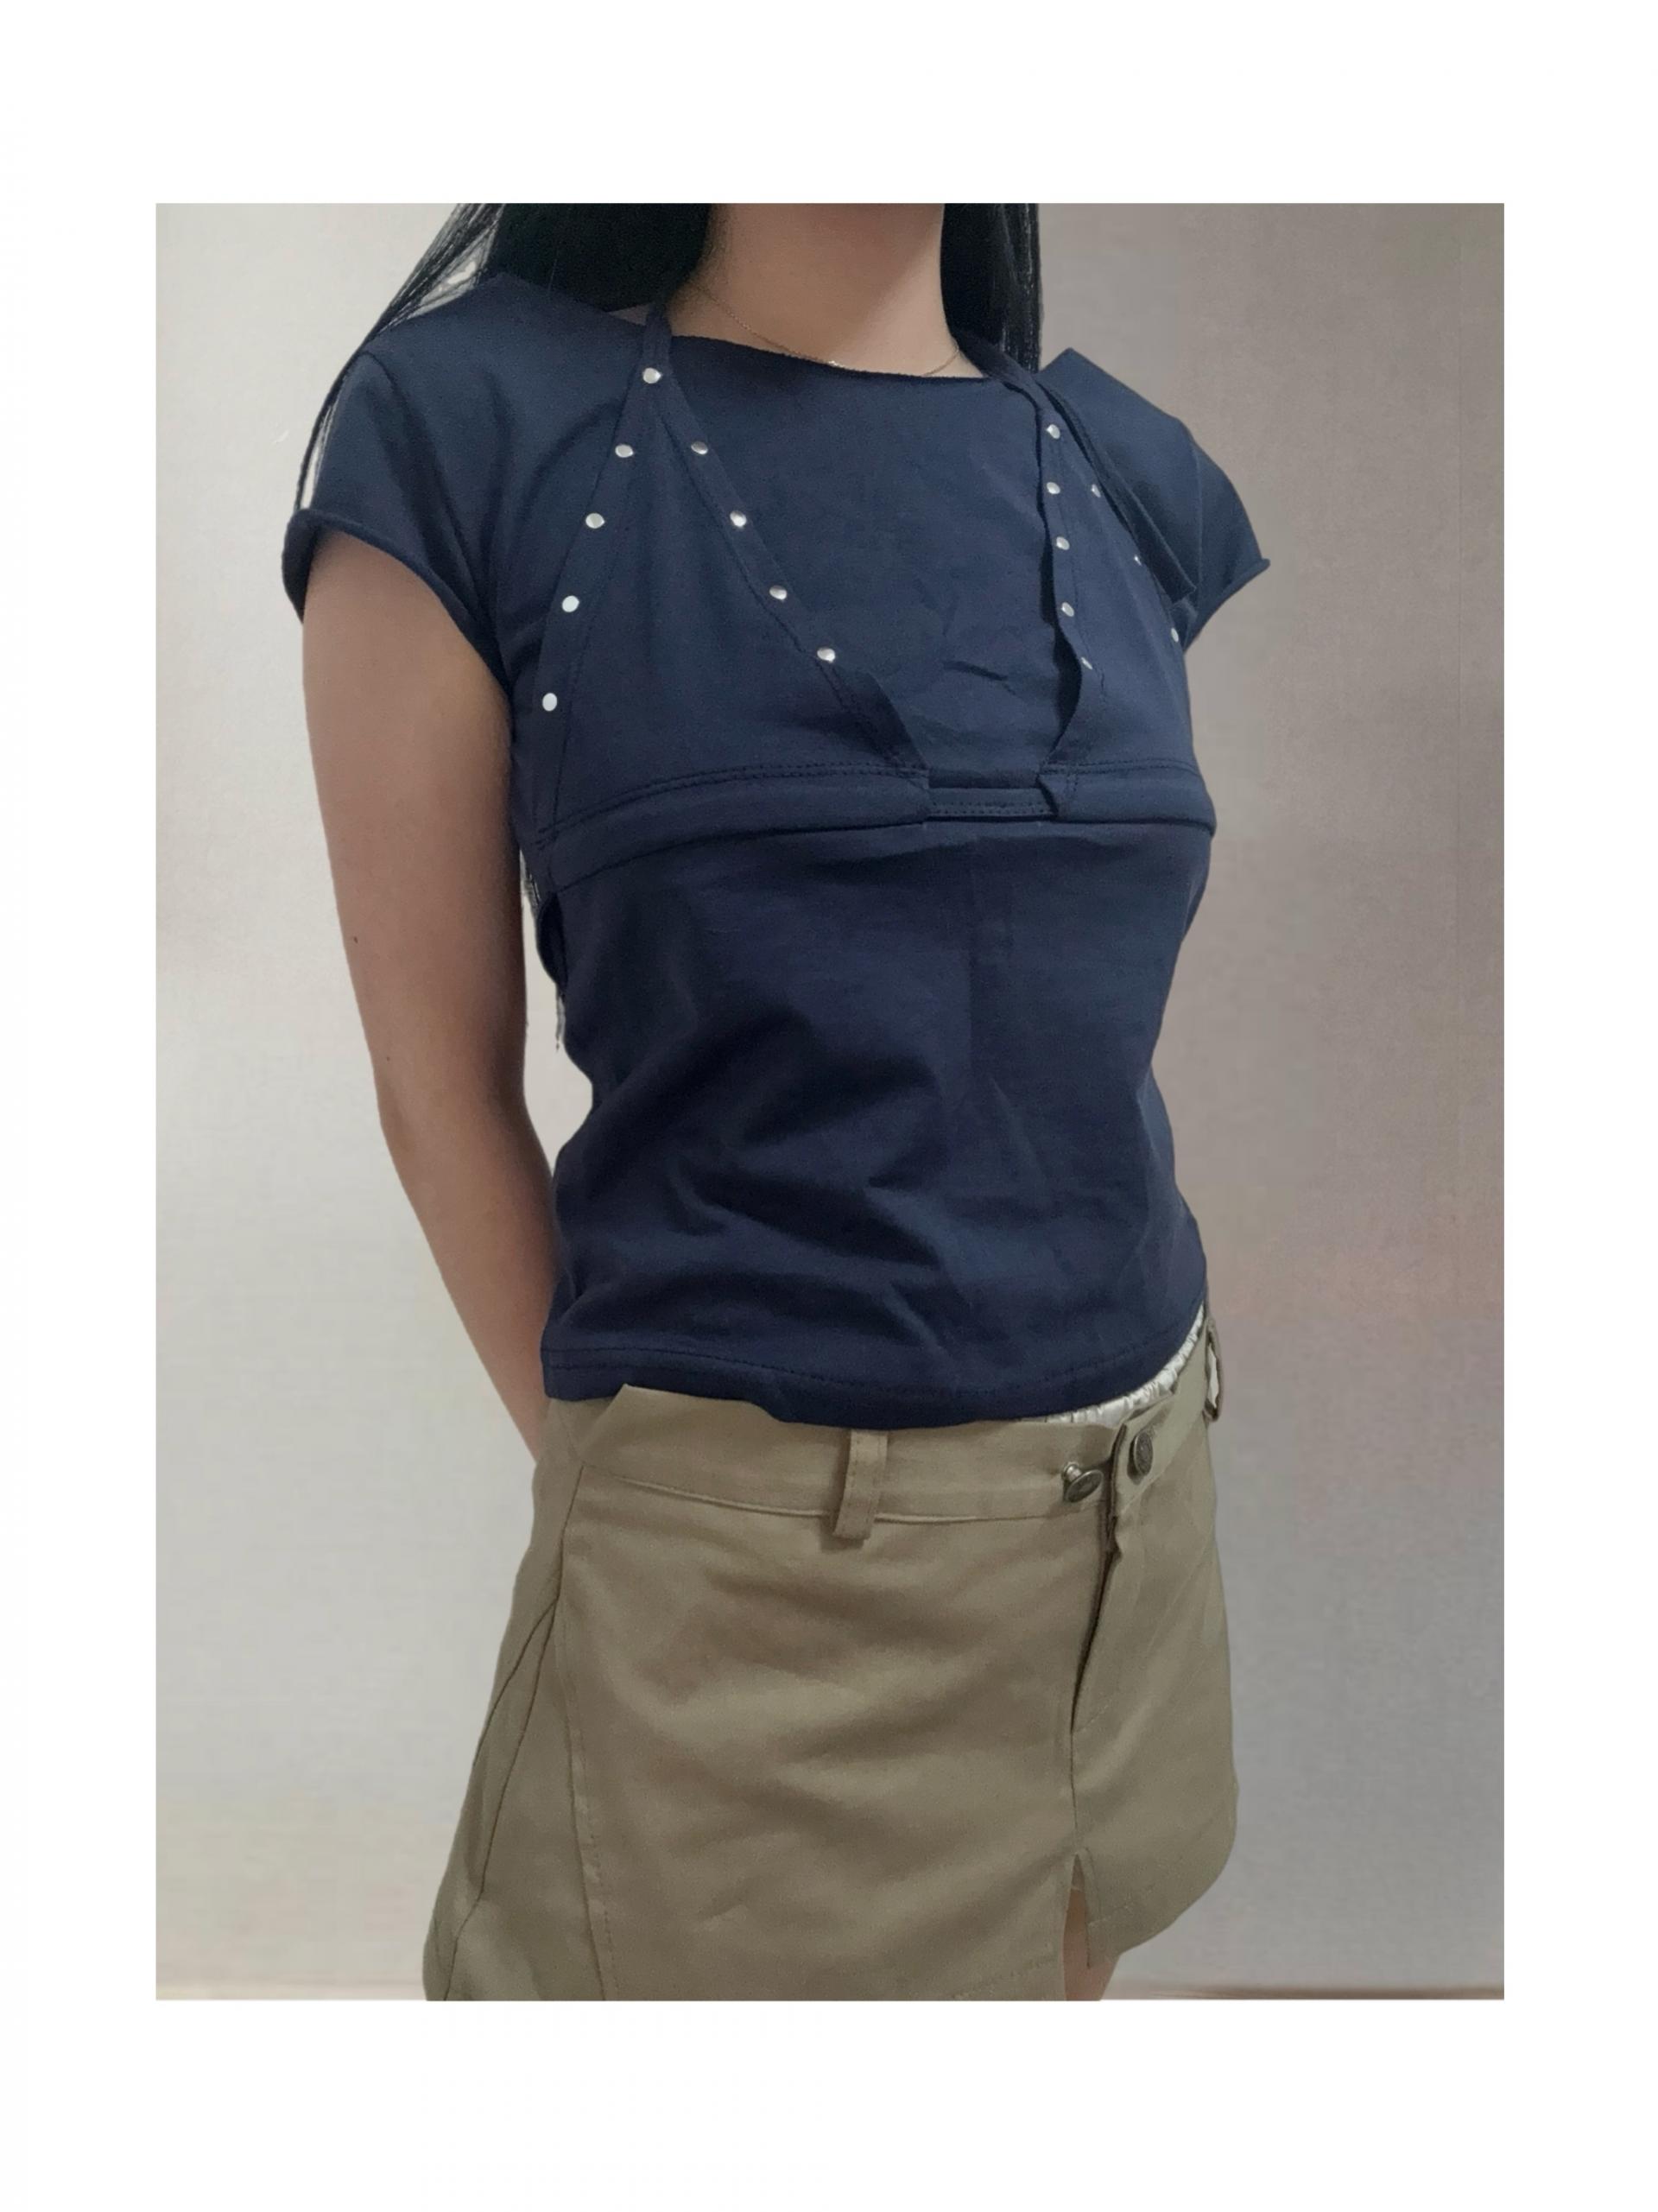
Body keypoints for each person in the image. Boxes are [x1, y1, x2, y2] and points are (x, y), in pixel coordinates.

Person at [284, 203, 1269, 2001]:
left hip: (1140, 1535)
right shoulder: (475, 430)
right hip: (748, 1617)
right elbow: (438, 1089)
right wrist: (671, 1514)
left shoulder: (1123, 469)